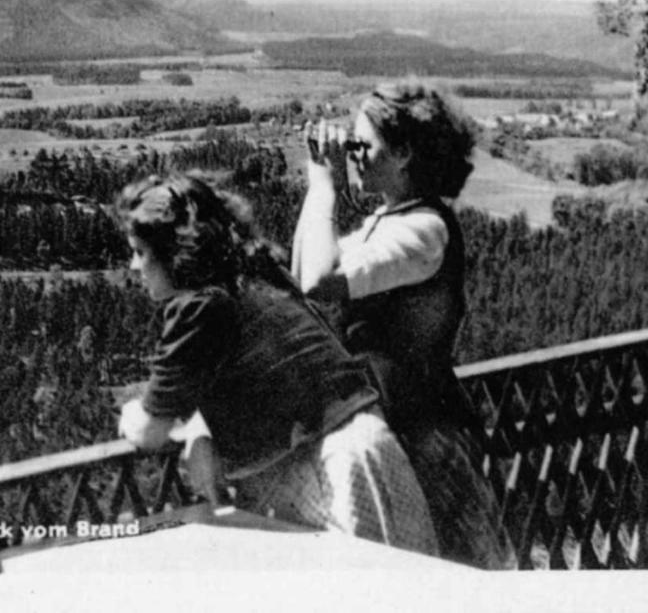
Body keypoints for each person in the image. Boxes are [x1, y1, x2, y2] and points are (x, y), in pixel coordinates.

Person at [114, 172, 438, 555]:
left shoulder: (196, 308)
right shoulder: (258, 273)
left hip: (329, 471)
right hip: (369, 446)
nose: (134, 267)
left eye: (140, 252)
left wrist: (132, 414)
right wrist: (204, 424)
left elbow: (150, 431)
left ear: (172, 253)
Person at [292, 81, 515, 569]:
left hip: (422, 435)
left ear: (405, 154)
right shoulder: (387, 221)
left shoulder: (425, 229)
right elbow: (302, 271)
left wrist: (323, 184)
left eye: (363, 146)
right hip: (388, 429)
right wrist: (319, 186)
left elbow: (319, 280)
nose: (353, 156)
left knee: (453, 574)